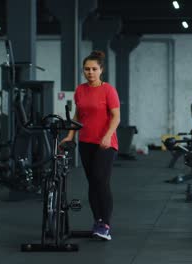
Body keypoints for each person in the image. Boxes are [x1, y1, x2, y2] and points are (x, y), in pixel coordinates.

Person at [61, 51, 120, 241]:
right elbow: (78, 116)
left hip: (105, 143)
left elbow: (116, 116)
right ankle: (97, 221)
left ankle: (106, 224)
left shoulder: (108, 90)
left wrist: (107, 136)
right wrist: (70, 135)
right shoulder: (80, 90)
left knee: (100, 180)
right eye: (87, 69)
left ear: (101, 70)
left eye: (94, 69)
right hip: (86, 142)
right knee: (92, 183)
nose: (90, 72)